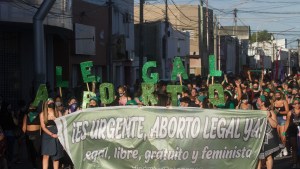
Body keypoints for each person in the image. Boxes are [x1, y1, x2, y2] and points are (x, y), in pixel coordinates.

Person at [257, 96, 283, 169]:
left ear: (263, 102)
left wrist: (268, 117)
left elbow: (275, 125)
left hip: (269, 137)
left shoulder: (271, 112)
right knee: (258, 157)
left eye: (259, 100)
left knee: (268, 156)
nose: (257, 101)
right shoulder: (256, 112)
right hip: (259, 137)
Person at [40, 98, 63, 169]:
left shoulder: (58, 112)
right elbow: (43, 127)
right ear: (46, 104)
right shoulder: (42, 114)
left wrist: (56, 120)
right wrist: (51, 134)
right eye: (49, 102)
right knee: (46, 155)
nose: (51, 103)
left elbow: (62, 124)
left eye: (52, 102)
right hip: (47, 135)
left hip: (57, 134)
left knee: (56, 156)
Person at [22, 104, 41, 169]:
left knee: (37, 151)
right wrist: (24, 135)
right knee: (32, 151)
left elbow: (41, 126)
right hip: (29, 134)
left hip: (37, 134)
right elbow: (24, 127)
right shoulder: (26, 115)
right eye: (31, 106)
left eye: (33, 106)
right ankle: (34, 166)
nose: (32, 107)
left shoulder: (39, 114)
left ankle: (38, 165)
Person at [285, 99, 300, 168]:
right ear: (293, 105)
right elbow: (287, 122)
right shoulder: (290, 113)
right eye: (295, 103)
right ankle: (295, 162)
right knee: (294, 146)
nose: (297, 105)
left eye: (298, 103)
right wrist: (284, 133)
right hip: (292, 131)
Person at [273, 91, 289, 156]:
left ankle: (284, 147)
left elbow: (287, 111)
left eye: (278, 95)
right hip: (276, 120)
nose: (277, 96)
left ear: (280, 95)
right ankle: (279, 149)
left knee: (283, 135)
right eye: (276, 95)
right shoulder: (273, 102)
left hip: (283, 119)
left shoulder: (284, 101)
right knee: (277, 136)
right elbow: (272, 111)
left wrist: (279, 112)